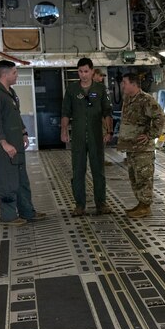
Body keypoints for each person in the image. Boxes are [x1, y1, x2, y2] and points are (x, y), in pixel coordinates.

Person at [0, 60, 46, 225]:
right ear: (4, 74)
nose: (16, 75)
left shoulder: (10, 93)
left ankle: (27, 211)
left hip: (16, 144)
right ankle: (8, 216)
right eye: (14, 72)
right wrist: (4, 143)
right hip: (3, 146)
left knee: (21, 179)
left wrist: (24, 132)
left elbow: (16, 116)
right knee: (6, 180)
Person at [61, 58, 113, 216]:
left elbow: (107, 112)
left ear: (92, 71)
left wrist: (108, 132)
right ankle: (79, 205)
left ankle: (101, 204)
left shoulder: (100, 89)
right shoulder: (71, 90)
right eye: (80, 71)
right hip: (78, 137)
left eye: (86, 71)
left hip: (96, 136)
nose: (83, 75)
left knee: (98, 171)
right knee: (78, 171)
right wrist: (64, 130)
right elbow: (65, 113)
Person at [117, 73, 164, 218]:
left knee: (144, 177)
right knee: (134, 176)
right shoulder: (128, 99)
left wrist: (150, 135)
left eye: (124, 82)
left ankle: (145, 206)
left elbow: (160, 117)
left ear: (133, 84)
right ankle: (140, 203)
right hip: (131, 147)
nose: (122, 85)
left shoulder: (146, 100)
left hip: (143, 148)